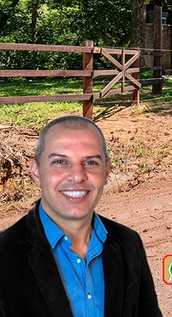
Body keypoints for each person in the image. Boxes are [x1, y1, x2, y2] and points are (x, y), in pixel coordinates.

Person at [0, 115, 162, 317]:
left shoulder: (129, 243)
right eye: (60, 161)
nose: (77, 176)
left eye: (90, 162)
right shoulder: (4, 255)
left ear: (106, 171)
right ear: (36, 171)